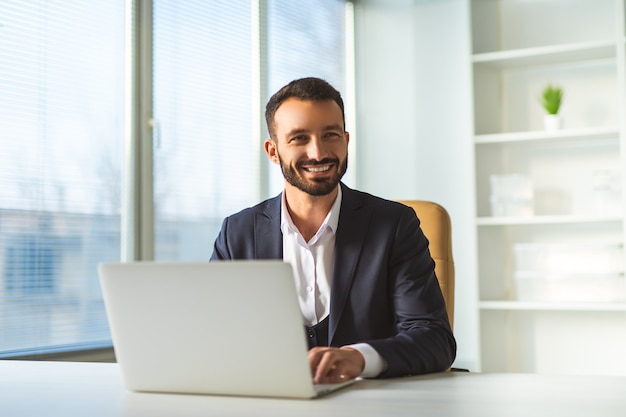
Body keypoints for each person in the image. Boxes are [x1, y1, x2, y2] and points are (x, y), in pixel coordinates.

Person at [211, 77, 456, 383]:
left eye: (330, 135)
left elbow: (434, 339)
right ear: (273, 151)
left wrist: (359, 358)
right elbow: (213, 336)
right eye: (299, 138)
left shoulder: (394, 225)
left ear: (346, 139)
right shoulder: (238, 233)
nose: (318, 152)